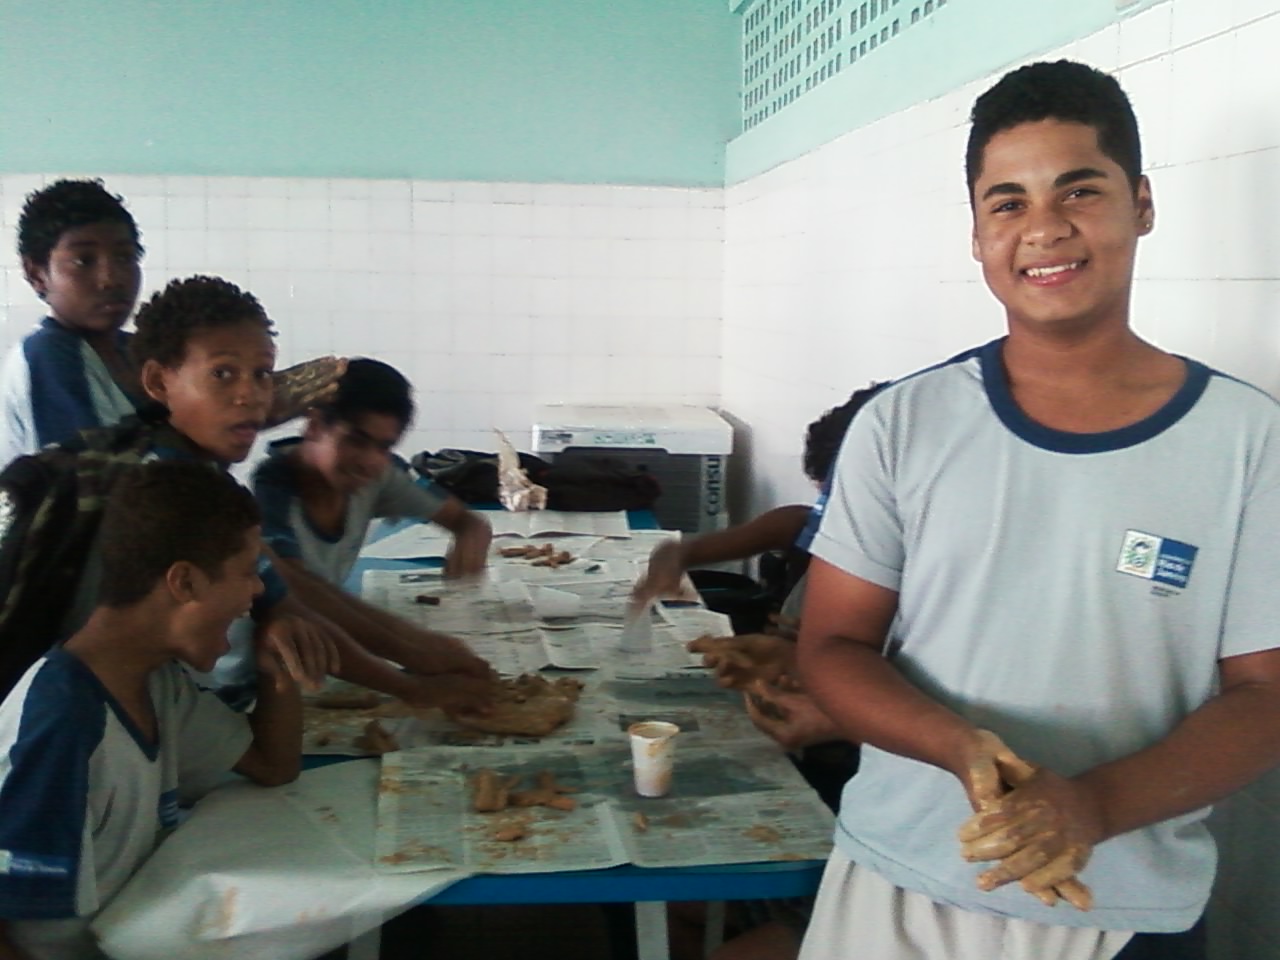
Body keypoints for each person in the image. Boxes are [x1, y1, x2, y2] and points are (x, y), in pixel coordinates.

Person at [796, 60, 1280, 960]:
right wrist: (958, 747)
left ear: (1142, 204)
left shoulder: (1250, 440)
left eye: (1079, 191)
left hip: (1123, 909)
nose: (1045, 229)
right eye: (1008, 203)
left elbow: (1266, 695)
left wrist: (1094, 804)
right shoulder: (903, 424)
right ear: (978, 235)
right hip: (900, 883)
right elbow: (831, 646)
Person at [53, 274, 490, 710]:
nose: (250, 395)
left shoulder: (198, 474)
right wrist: (412, 675)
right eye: (222, 374)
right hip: (144, 713)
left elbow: (283, 591)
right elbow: (294, 598)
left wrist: (415, 648)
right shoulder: (168, 488)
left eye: (262, 374)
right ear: (158, 382)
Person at [0, 460, 336, 960]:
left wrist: (276, 667)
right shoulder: (63, 723)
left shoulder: (157, 684)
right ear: (185, 583)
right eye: (247, 572)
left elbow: (273, 765)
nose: (257, 591)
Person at [0, 178, 343, 467]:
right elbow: (101, 481)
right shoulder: (49, 356)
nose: (111, 278)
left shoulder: (132, 349)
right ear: (37, 273)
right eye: (83, 260)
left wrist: (240, 413)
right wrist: (238, 415)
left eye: (125, 256)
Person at [252, 357, 494, 676]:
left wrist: (472, 532)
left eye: (384, 447)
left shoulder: (378, 474)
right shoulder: (270, 492)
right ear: (315, 426)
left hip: (330, 636)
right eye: (356, 441)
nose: (369, 461)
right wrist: (412, 647)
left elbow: (465, 520)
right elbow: (298, 591)